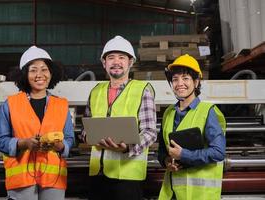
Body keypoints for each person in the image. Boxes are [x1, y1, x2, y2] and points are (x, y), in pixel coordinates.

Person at [82, 35, 157, 200]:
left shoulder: (142, 90)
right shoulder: (96, 91)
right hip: (98, 175)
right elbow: (85, 127)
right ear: (104, 63)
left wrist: (127, 147)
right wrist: (89, 136)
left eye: (122, 57)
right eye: (111, 58)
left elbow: (150, 132)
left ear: (130, 62)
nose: (116, 62)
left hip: (127, 178)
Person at [0, 46, 75, 200]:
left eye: (44, 69)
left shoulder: (62, 105)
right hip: (21, 179)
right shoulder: (10, 104)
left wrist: (61, 146)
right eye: (33, 70)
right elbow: (0, 141)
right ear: (24, 75)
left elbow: (70, 139)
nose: (40, 75)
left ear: (51, 73)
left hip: (53, 179)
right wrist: (23, 143)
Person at [158, 54, 226, 200]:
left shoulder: (208, 112)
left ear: (196, 82)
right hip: (172, 193)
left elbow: (218, 152)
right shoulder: (168, 113)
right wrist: (167, 162)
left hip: (199, 195)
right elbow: (162, 150)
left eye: (185, 78)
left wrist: (183, 155)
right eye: (175, 79)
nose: (179, 83)